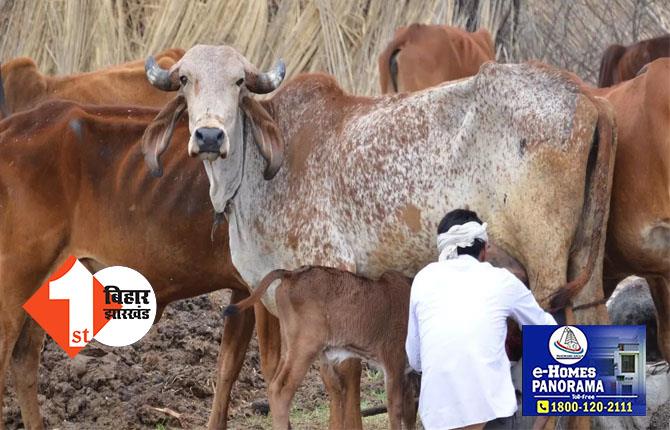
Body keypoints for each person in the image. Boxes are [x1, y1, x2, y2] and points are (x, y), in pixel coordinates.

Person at [405, 209, 556, 430]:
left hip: (437, 422)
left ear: (444, 248)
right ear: (484, 250)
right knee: (552, 395)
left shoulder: (422, 280)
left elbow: (415, 360)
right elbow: (546, 331)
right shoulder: (501, 279)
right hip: (493, 422)